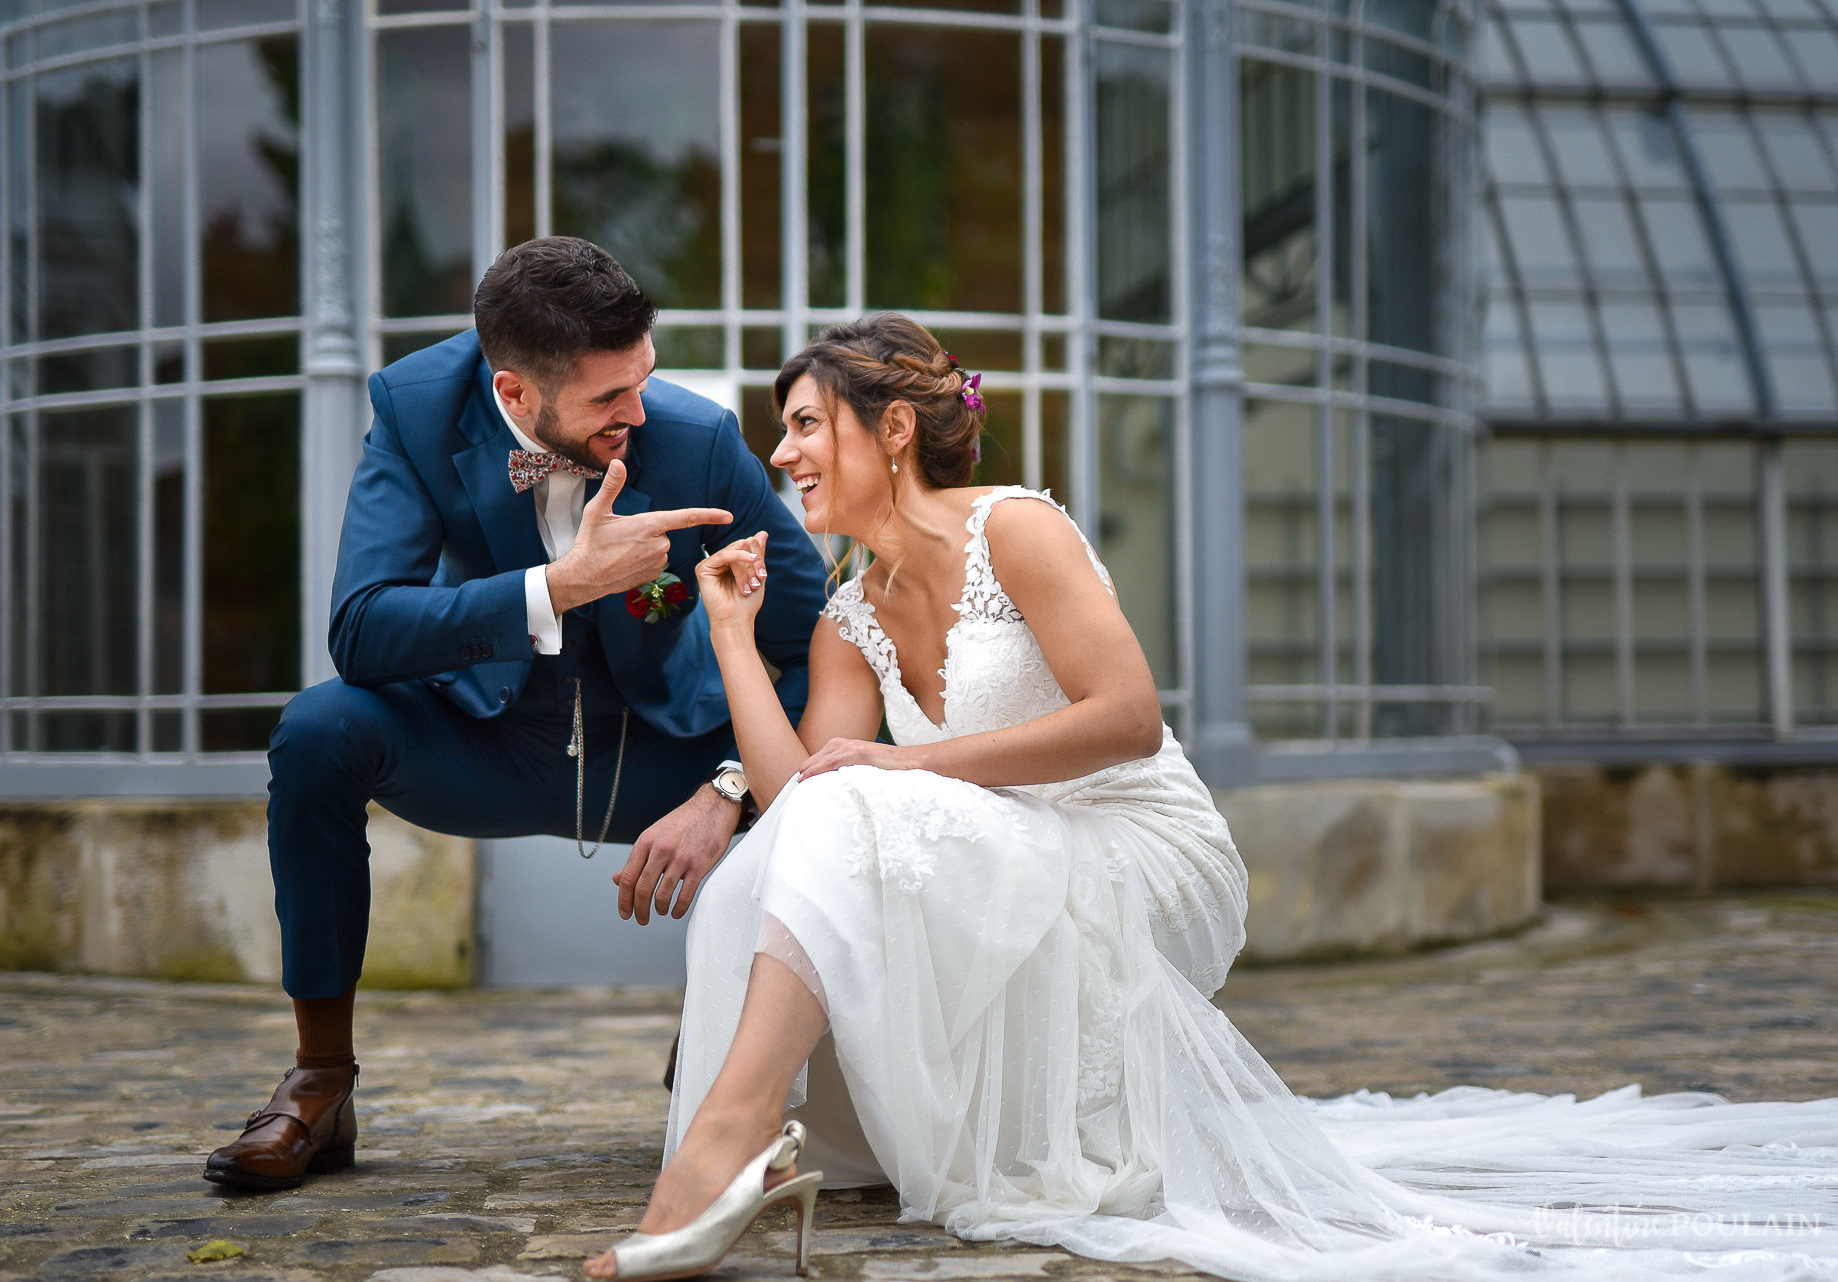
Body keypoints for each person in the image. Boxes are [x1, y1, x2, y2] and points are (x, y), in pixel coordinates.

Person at [583, 313, 1838, 1281]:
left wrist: (902, 767)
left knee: (862, 800)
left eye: (804, 423)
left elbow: (1126, 720)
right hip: (978, 841)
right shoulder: (849, 614)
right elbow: (812, 801)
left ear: (893, 430)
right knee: (795, 832)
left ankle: (723, 1147)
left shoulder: (1016, 529)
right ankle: (746, 1137)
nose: (780, 452)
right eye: (779, 429)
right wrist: (737, 640)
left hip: (1135, 840)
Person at [203, 237, 827, 1191]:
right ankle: (320, 1083)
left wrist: (727, 791)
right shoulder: (414, 409)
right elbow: (361, 630)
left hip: (655, 753)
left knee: (848, 768)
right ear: (514, 392)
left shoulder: (695, 440)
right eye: (608, 401)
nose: (639, 413)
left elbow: (816, 643)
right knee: (319, 729)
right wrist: (555, 587)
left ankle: (723, 1050)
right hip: (479, 742)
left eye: (643, 379)